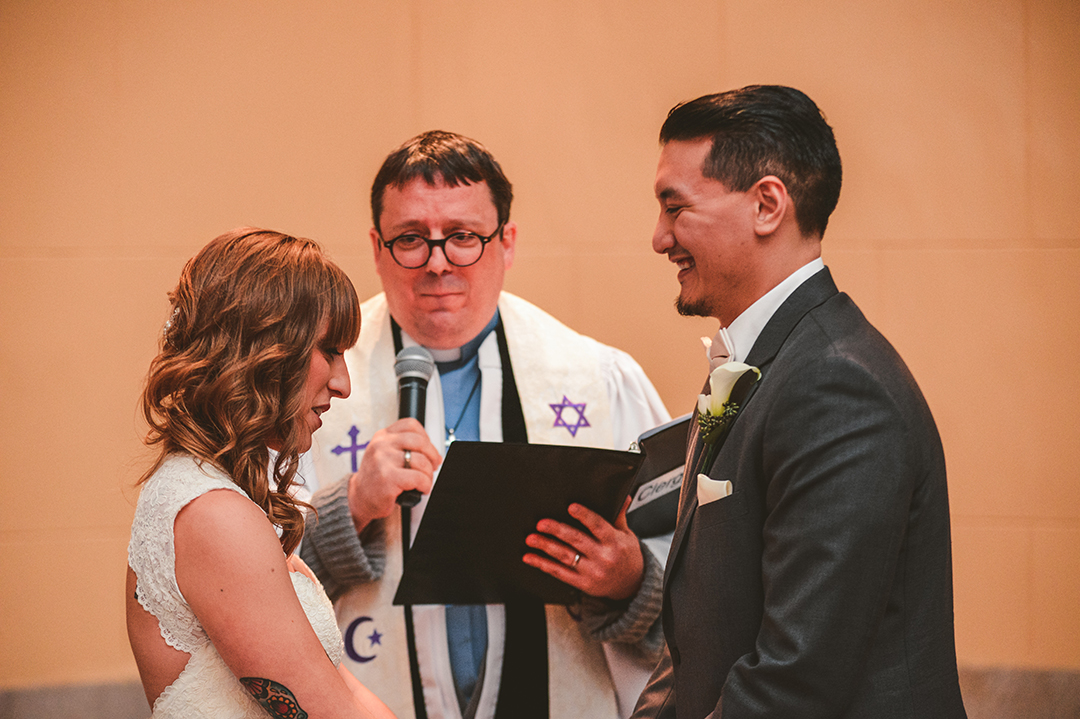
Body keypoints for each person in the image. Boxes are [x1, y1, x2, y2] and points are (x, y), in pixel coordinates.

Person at [299, 131, 671, 719]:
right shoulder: (310, 388)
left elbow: (689, 578)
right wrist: (351, 506)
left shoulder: (598, 380)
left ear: (508, 242)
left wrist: (629, 580)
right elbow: (248, 587)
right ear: (376, 247)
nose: (438, 262)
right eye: (411, 240)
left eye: (465, 237)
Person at [632, 86, 967, 718]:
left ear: (766, 205)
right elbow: (694, 644)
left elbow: (794, 678)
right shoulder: (764, 362)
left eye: (675, 209)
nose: (659, 238)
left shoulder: (838, 386)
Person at [126, 229, 397, 719]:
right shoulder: (212, 513)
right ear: (262, 353)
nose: (343, 383)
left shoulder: (218, 492)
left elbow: (341, 688)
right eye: (329, 351)